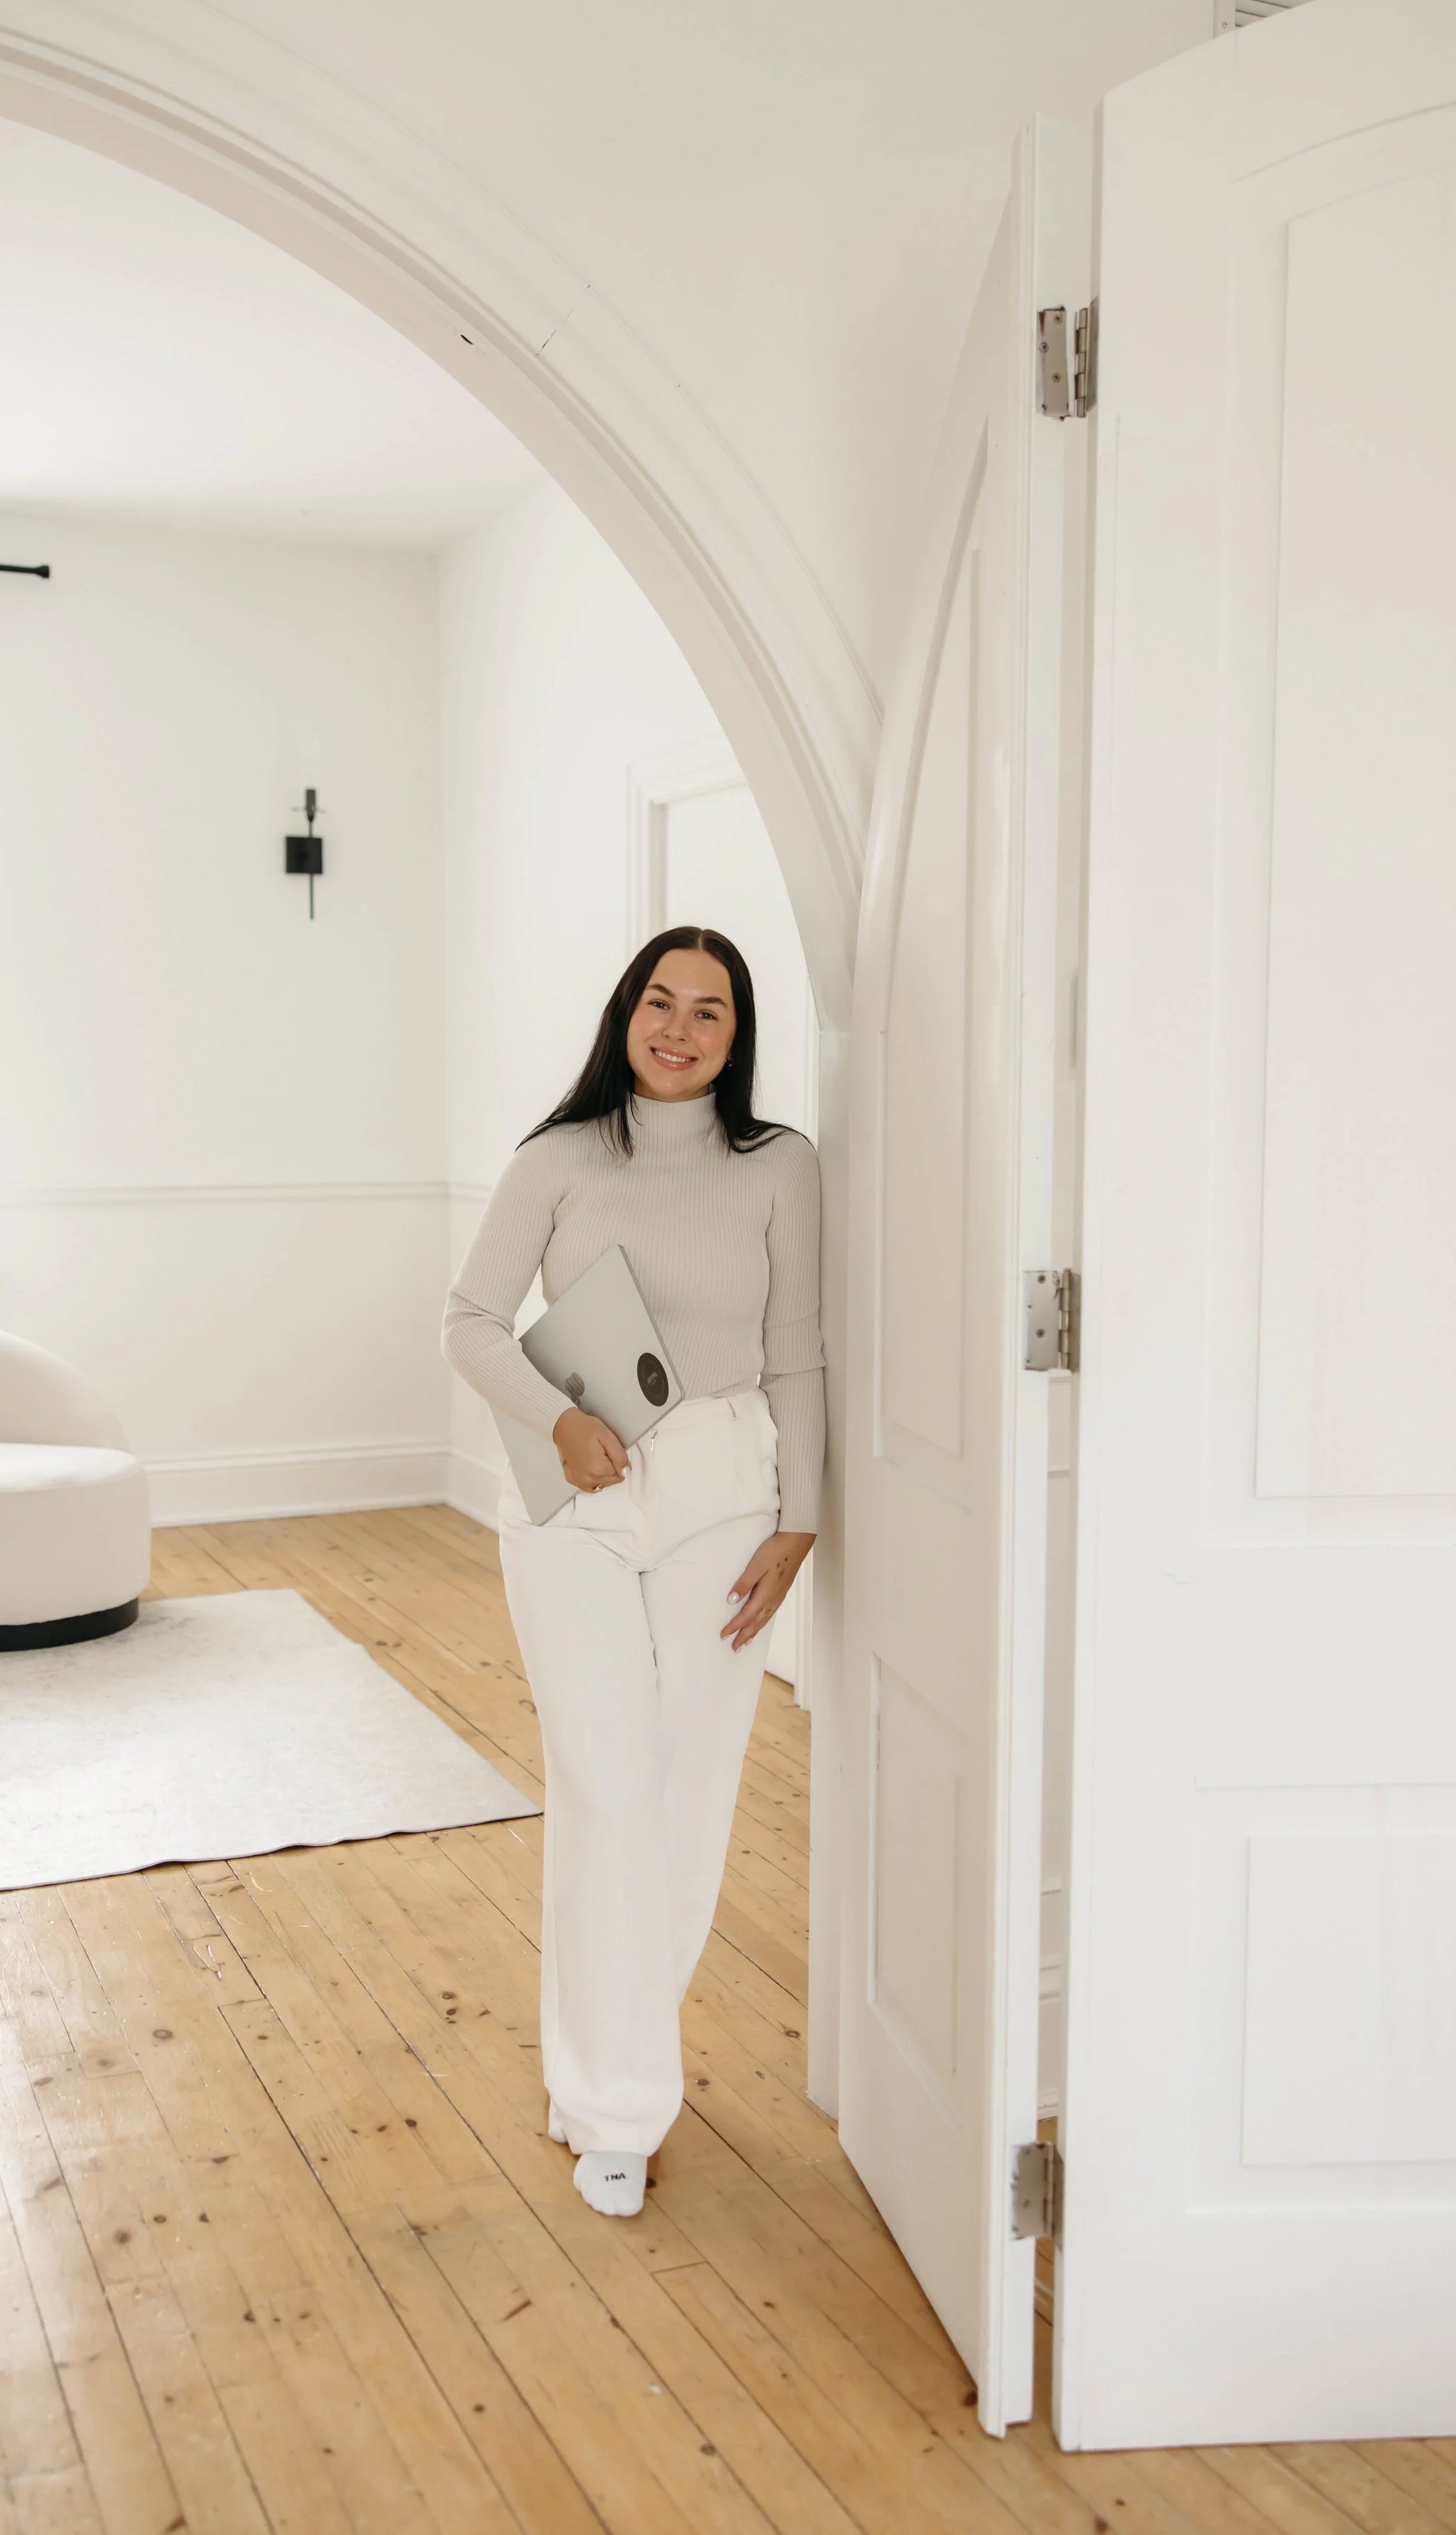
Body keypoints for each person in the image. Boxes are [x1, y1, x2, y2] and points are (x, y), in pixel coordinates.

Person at [442, 925, 824, 2217]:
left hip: (729, 1488)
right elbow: (471, 1321)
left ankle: (606, 2063)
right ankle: (618, 2102)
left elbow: (799, 1353)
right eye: (659, 1001)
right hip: (579, 1488)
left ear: (737, 1035)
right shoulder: (555, 1159)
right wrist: (555, 1417)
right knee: (606, 1783)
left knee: (689, 1784)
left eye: (708, 1012)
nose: (678, 1027)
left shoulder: (781, 1169)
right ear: (624, 1013)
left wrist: (804, 1517)